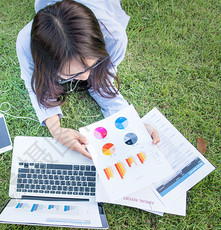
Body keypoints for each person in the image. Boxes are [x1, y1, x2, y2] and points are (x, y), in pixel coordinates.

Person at [16, 0, 159, 159]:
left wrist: (133, 126)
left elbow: (103, 84)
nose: (86, 78)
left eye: (93, 65)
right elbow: (36, 85)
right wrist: (56, 130)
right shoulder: (26, 45)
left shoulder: (114, 38)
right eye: (71, 75)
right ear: (47, 66)